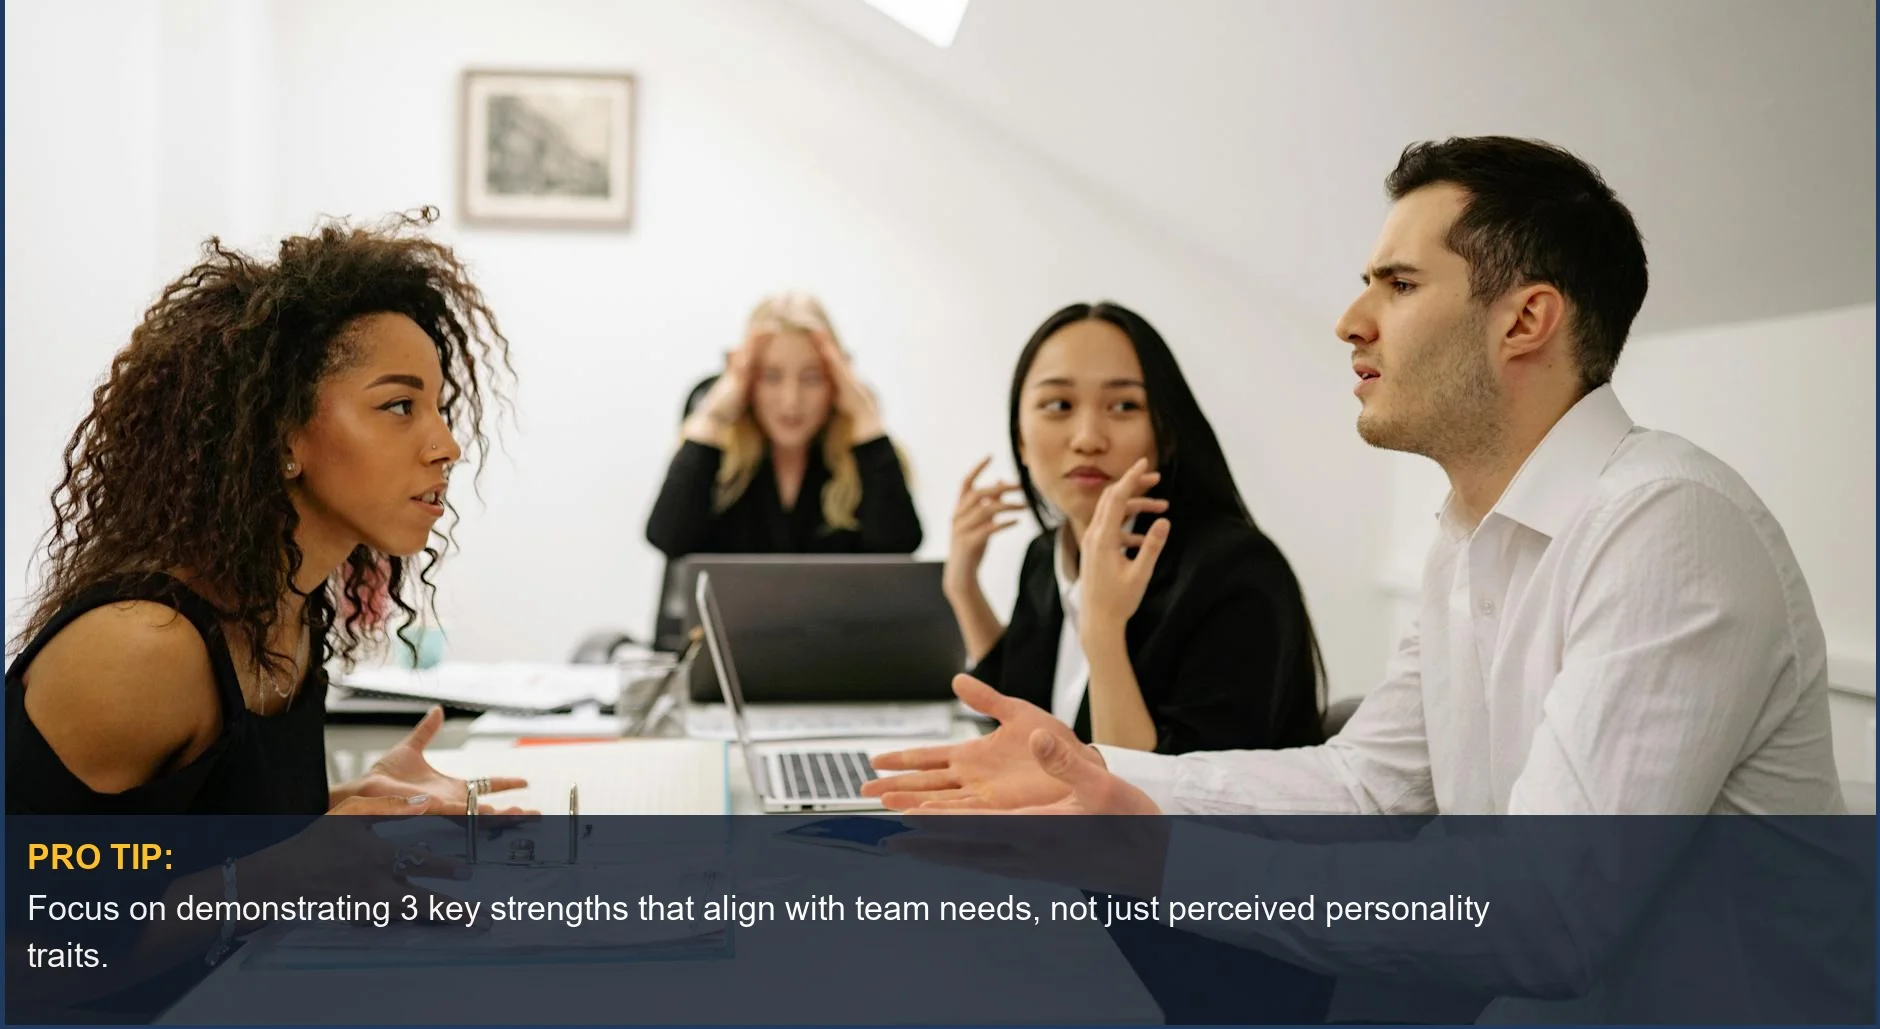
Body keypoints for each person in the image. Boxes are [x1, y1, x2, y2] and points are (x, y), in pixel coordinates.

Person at [866, 135, 1844, 818]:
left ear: (1523, 320)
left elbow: (1547, 918)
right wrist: (1097, 780)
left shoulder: (1665, 524)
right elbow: (1367, 787)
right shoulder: (1463, 540)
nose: (1348, 319)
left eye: (1398, 284)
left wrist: (1144, 839)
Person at [6, 211, 527, 817]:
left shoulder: (288, 613)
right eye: (399, 405)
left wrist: (353, 805)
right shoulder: (144, 647)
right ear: (282, 437)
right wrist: (303, 861)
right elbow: (42, 896)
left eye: (438, 408)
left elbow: (184, 845)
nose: (447, 447)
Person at [942, 302, 1325, 753]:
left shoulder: (1236, 573)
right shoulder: (1050, 554)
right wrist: (962, 584)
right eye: (1058, 405)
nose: (1087, 438)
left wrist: (1103, 630)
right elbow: (1015, 714)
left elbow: (1160, 802)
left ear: (1165, 432)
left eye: (1124, 405)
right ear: (1021, 437)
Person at [645, 292, 923, 559]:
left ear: (836, 382)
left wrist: (864, 416)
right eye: (771, 376)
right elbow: (668, 538)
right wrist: (711, 417)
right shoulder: (718, 451)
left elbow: (899, 545)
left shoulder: (860, 455)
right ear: (747, 380)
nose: (791, 402)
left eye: (812, 378)